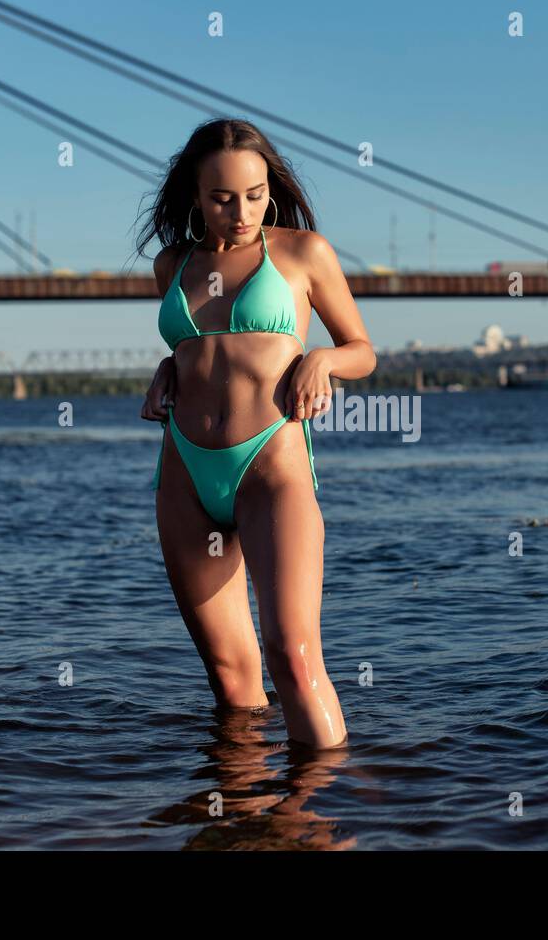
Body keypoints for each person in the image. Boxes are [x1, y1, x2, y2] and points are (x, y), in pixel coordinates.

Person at [134, 118, 375, 749]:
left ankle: (322, 815)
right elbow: (197, 349)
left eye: (254, 194)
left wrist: (322, 359)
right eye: (220, 198)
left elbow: (363, 350)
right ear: (194, 194)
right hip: (185, 473)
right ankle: (245, 820)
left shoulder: (302, 253)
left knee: (293, 658)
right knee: (230, 678)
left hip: (271, 468)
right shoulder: (172, 265)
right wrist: (165, 370)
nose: (240, 211)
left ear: (271, 188)